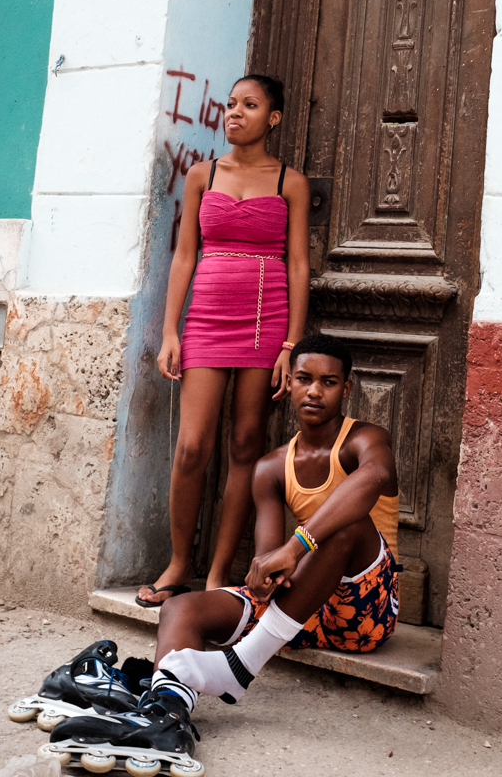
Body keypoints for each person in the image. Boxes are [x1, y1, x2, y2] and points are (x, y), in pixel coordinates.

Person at [147, 332, 401, 710]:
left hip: (364, 612)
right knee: (180, 609)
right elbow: (271, 557)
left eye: (328, 382)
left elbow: (376, 475)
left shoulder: (365, 439)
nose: (314, 391)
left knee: (346, 523)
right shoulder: (270, 467)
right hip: (299, 605)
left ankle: (243, 663)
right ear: (289, 382)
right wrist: (268, 576)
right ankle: (164, 709)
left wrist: (295, 548)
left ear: (346, 389)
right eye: (304, 379)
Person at [137, 75, 310, 605]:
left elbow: (299, 264)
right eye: (231, 104)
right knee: (192, 447)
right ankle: (177, 565)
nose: (235, 113)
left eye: (250, 105)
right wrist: (170, 329)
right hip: (207, 318)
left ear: (272, 118)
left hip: (265, 320)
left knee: (243, 447)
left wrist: (290, 346)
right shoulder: (202, 174)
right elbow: (184, 255)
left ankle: (216, 575)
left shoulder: (289, 182)